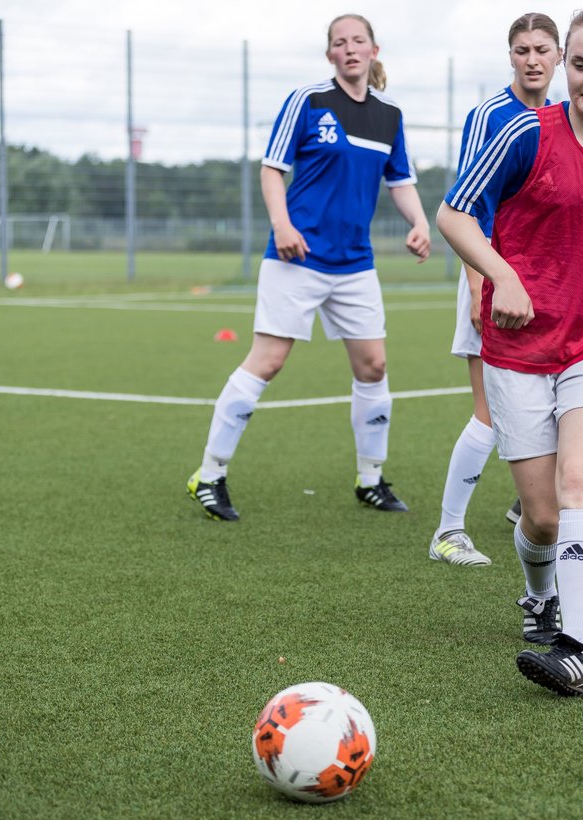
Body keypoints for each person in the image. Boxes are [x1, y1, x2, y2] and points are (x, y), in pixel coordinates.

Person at [437, 6, 583, 697]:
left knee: (581, 478)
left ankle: (578, 649)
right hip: (519, 348)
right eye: (581, 65)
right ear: (564, 64)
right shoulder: (522, 135)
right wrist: (504, 274)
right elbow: (454, 214)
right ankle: (540, 595)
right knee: (541, 516)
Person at [187, 14, 430, 521]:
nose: (350, 49)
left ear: (374, 49)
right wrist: (281, 225)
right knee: (267, 362)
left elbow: (400, 180)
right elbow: (272, 169)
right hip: (296, 258)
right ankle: (209, 475)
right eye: (339, 43)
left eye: (358, 41)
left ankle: (370, 479)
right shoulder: (308, 101)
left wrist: (419, 221)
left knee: (374, 367)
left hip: (355, 264)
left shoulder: (389, 115)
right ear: (330, 56)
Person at [428, 13, 563, 568]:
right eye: (521, 49)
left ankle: (531, 507)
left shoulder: (568, 116)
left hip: (550, 289)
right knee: (489, 412)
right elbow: (467, 209)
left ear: (558, 55)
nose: (532, 59)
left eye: (541, 49)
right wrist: (479, 284)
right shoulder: (489, 116)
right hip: (494, 282)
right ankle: (448, 531)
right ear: (510, 56)